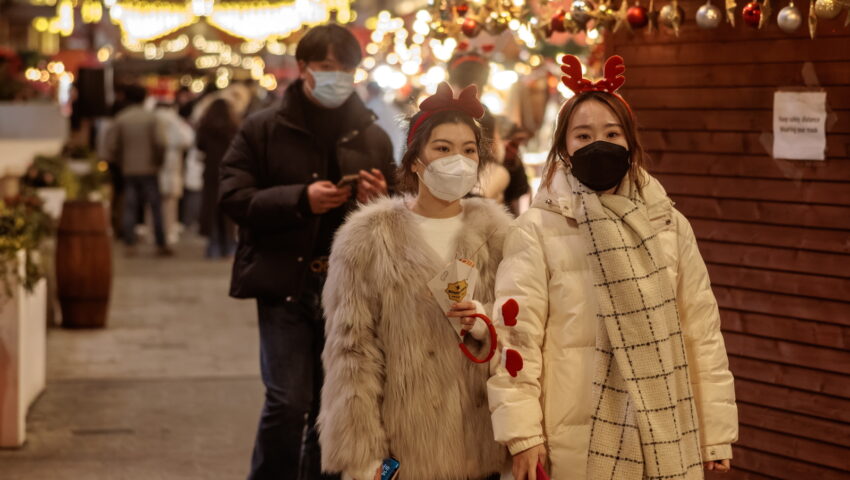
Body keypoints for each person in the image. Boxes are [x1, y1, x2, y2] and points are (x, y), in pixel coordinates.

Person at [487, 55, 738, 480]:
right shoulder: (537, 228)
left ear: (630, 142)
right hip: (573, 446)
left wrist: (715, 433)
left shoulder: (668, 223)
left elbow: (701, 332)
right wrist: (523, 435)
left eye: (610, 133)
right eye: (582, 135)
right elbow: (517, 339)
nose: (596, 144)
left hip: (663, 431)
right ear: (564, 148)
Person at [218, 23, 396, 480]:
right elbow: (233, 197)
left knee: (331, 406)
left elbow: (399, 211)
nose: (338, 76)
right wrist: (299, 199)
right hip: (285, 282)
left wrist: (380, 199)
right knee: (287, 400)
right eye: (326, 67)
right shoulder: (262, 128)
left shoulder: (371, 135)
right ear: (302, 69)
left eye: (347, 69)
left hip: (348, 289)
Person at [318, 83, 511, 480]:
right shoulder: (368, 237)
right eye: (442, 148)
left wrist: (483, 321)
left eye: (468, 150)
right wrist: (364, 457)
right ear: (415, 161)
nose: (457, 160)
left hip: (483, 445)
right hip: (404, 451)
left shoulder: (498, 234)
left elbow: (524, 329)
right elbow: (352, 353)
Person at [105, 84, 172, 257]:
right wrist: (158, 161)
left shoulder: (122, 118)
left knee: (130, 206)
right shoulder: (151, 118)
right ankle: (160, 243)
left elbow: (110, 145)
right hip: (150, 168)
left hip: (128, 169)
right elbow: (161, 143)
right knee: (155, 207)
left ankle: (129, 243)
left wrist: (120, 161)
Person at [197, 98, 238, 258]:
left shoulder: (205, 126)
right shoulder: (233, 127)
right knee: (228, 209)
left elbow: (200, 145)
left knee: (211, 209)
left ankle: (213, 246)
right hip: (229, 171)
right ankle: (229, 245)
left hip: (211, 171)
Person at [155, 102, 195, 245]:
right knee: (170, 202)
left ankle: (153, 232)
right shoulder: (175, 121)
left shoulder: (152, 119)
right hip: (173, 164)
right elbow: (188, 139)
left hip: (153, 165)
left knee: (153, 202)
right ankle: (169, 231)